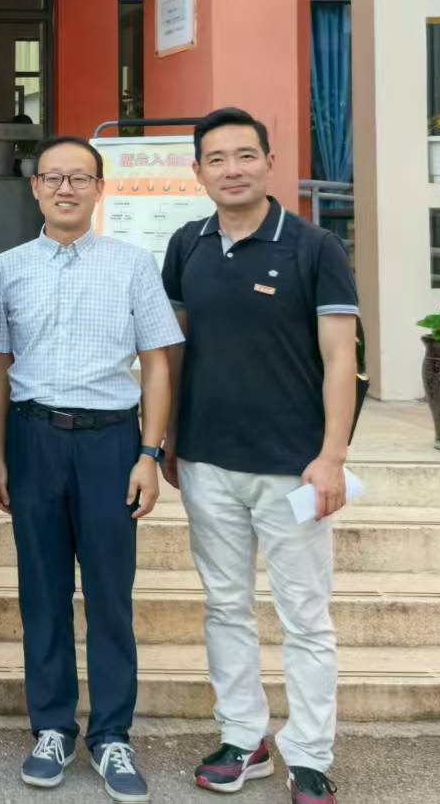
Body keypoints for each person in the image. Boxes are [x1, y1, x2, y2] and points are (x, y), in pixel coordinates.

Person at [161, 108, 358, 804]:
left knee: (305, 616)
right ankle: (244, 736)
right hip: (207, 462)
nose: (232, 169)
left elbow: (341, 358)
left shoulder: (314, 246)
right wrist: (167, 439)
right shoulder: (186, 244)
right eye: (217, 158)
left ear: (270, 162)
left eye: (245, 155)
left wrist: (332, 455)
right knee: (225, 606)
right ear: (199, 172)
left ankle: (309, 751)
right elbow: (172, 352)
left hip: (292, 467)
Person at [0, 136, 180, 802]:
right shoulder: (7, 268)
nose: (66, 188)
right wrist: (0, 454)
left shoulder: (132, 264)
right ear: (35, 187)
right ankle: (53, 727)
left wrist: (149, 454)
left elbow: (156, 362)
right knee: (41, 591)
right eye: (53, 177)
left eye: (79, 178)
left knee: (109, 594)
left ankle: (113, 732)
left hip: (110, 444)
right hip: (34, 438)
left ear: (100, 188)